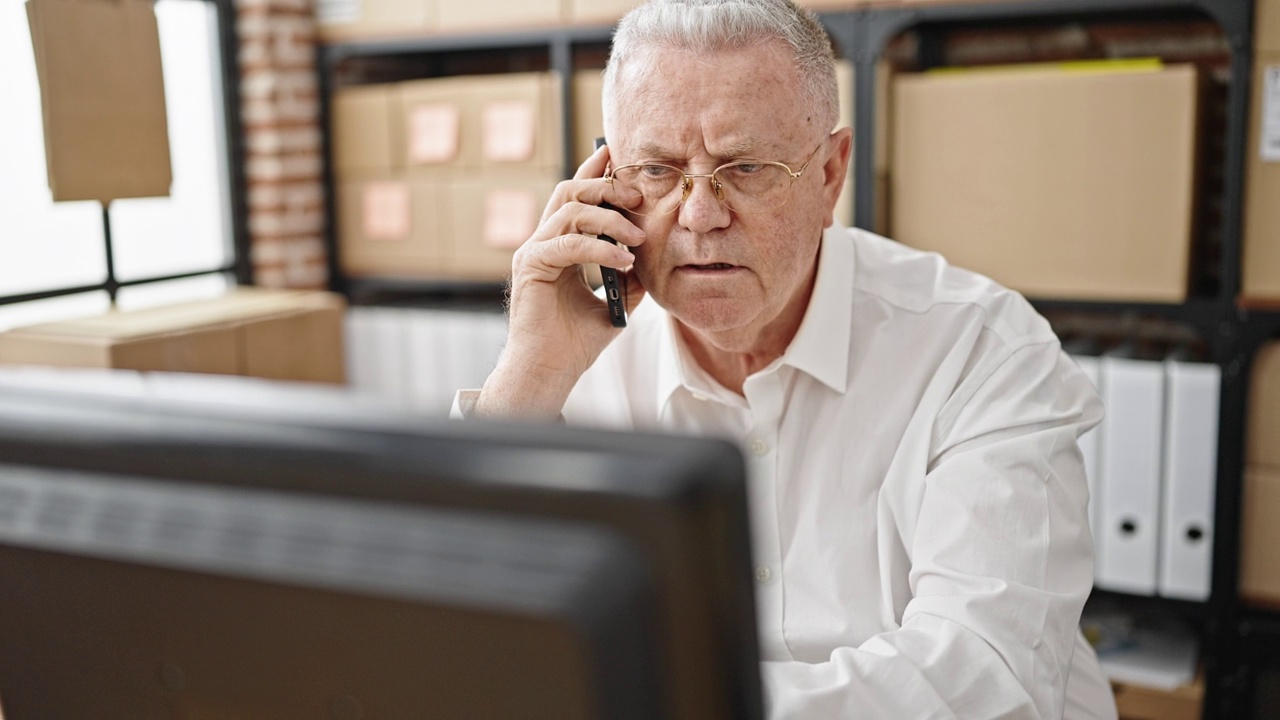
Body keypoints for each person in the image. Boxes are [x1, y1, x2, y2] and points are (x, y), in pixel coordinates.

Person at [455, 0, 1118, 717]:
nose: (700, 215)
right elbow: (453, 636)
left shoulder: (981, 352)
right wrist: (528, 379)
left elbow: (984, 680)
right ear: (608, 181)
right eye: (657, 168)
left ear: (831, 175)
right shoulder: (576, 358)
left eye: (746, 168)